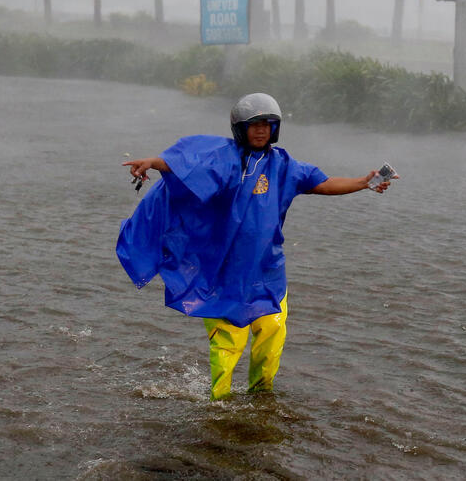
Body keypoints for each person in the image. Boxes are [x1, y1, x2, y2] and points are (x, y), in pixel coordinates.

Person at [116, 93, 395, 400]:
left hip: (268, 272)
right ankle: (218, 405)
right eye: (254, 125)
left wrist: (363, 182)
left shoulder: (285, 166)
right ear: (240, 128)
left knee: (272, 336)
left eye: (268, 124)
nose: (261, 130)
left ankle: (261, 399)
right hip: (225, 274)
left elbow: (324, 183)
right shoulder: (223, 158)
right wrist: (153, 163)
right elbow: (187, 165)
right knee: (228, 343)